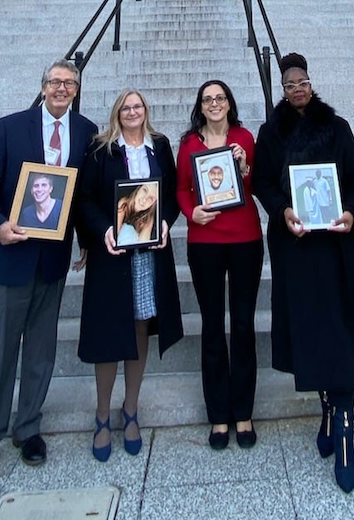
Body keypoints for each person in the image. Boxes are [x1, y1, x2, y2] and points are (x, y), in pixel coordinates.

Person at [0, 59, 97, 490]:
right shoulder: (10, 127)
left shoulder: (85, 131)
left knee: (40, 352)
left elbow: (81, 194)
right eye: (55, 82)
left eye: (69, 83)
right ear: (42, 88)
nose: (62, 89)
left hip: (50, 261)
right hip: (8, 257)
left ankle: (28, 428)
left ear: (76, 90)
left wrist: (86, 238)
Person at [251, 53, 354, 493]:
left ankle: (344, 431)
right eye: (289, 85)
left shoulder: (338, 127)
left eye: (303, 82)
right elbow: (262, 182)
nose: (298, 89)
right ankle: (326, 408)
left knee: (341, 334)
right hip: (298, 245)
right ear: (281, 90)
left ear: (311, 84)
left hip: (340, 246)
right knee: (312, 333)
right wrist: (282, 210)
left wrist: (352, 212)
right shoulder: (270, 133)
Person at [76, 89, 183, 462]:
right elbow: (84, 198)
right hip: (114, 254)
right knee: (109, 331)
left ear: (145, 111)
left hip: (149, 255)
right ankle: (103, 414)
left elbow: (169, 196)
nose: (132, 112)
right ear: (117, 113)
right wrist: (103, 228)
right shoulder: (101, 149)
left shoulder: (160, 145)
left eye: (138, 106)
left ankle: (131, 409)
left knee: (140, 326)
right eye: (126, 107)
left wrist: (167, 222)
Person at [176, 79, 262, 451]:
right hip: (205, 241)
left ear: (229, 103)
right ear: (201, 105)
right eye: (208, 99)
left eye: (220, 98)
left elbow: (256, 183)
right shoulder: (189, 144)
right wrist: (190, 212)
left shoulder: (244, 138)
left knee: (243, 323)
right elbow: (180, 188)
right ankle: (218, 414)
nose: (214, 103)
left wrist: (244, 169)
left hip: (245, 238)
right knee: (212, 325)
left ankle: (243, 411)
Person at [115, 182, 158, 246]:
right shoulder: (124, 204)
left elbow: (143, 244)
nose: (144, 200)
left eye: (151, 198)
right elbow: (115, 238)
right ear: (139, 189)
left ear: (152, 205)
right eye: (145, 190)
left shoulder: (148, 218)